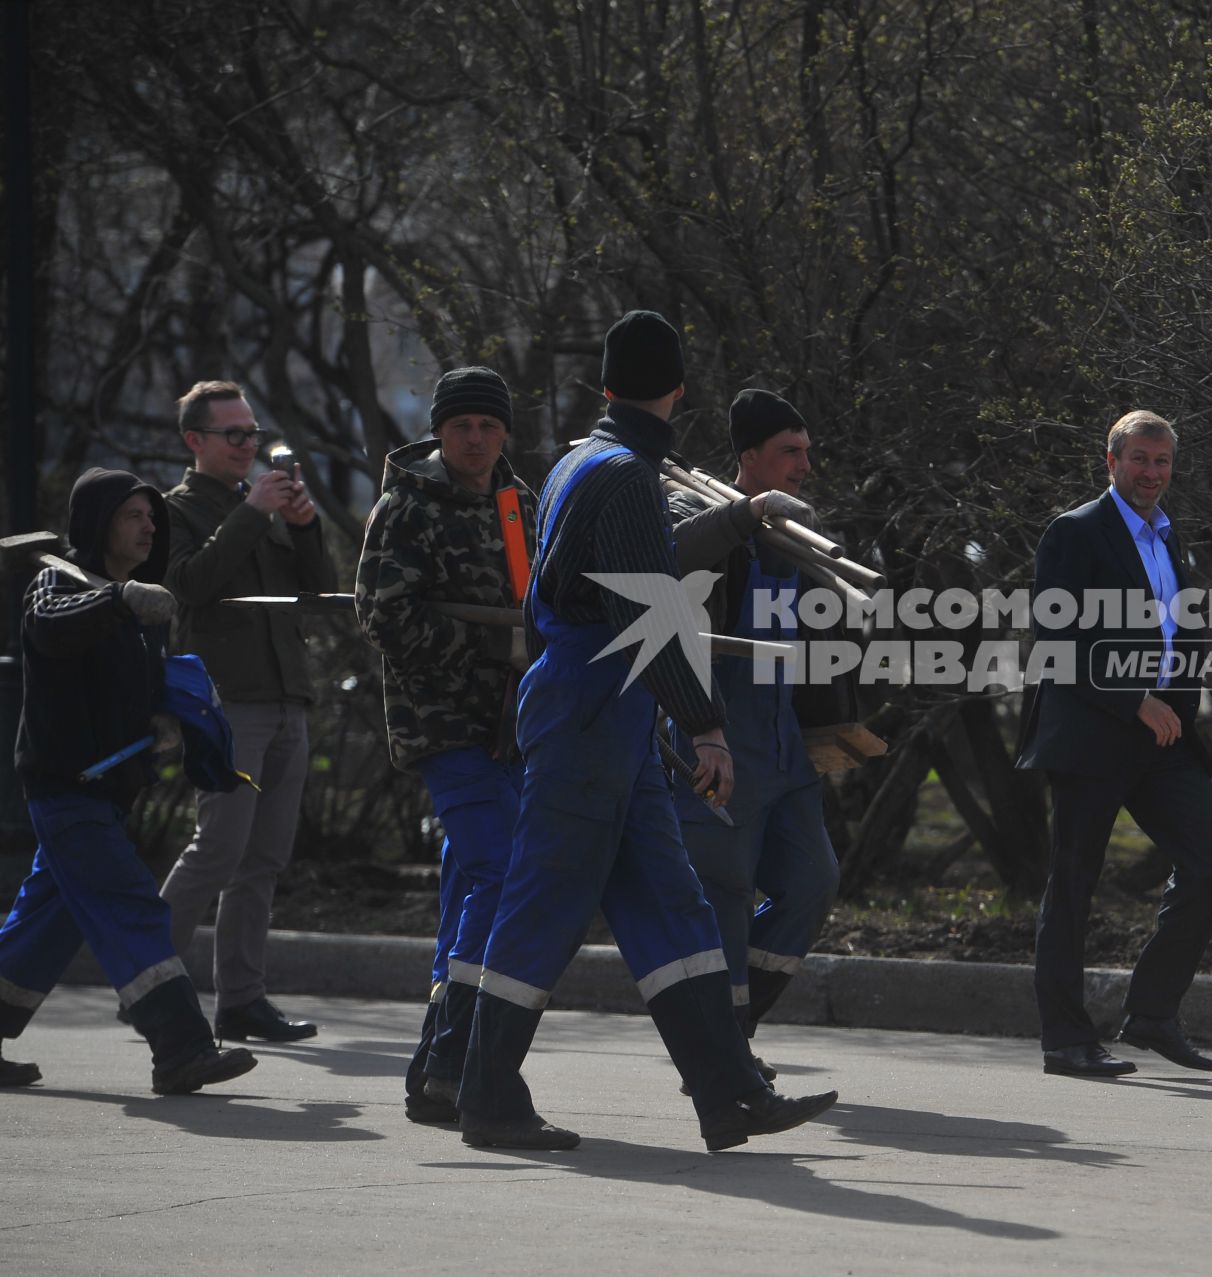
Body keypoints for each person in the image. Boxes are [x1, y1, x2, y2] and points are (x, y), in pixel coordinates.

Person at [457, 311, 837, 1151]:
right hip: (592, 716)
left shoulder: (577, 463)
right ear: (679, 390)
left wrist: (736, 521)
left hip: (603, 719)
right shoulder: (627, 473)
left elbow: (638, 578)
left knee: (672, 903)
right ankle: (484, 1096)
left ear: (605, 386)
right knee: (544, 907)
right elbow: (649, 610)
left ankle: (728, 1090)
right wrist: (705, 726)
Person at [0, 469, 257, 1094]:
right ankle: (181, 1047)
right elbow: (50, 627)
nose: (148, 526)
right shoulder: (56, 582)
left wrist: (164, 720)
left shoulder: (141, 602)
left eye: (151, 517)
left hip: (109, 791)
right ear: (97, 523)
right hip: (66, 786)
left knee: (46, 924)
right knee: (130, 904)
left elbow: (129, 686)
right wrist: (117, 601)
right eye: (132, 515)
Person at [1015, 409, 1212, 1077]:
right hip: (1091, 733)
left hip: (1159, 735)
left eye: (1162, 461)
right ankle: (1066, 1039)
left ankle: (1152, 1013)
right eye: (1139, 459)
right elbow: (1056, 640)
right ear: (1110, 463)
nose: (1152, 473)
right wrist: (1132, 698)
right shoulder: (1076, 532)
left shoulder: (1170, 538)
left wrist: (1172, 706)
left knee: (1210, 859)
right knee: (1074, 884)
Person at [355, 366, 535, 1124]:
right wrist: (485, 648)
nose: (474, 437)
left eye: (488, 426)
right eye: (462, 424)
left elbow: (535, 602)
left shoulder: (518, 503)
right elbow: (382, 616)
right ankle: (457, 1056)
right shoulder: (406, 507)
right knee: (497, 874)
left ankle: (433, 1070)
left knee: (471, 889)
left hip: (509, 727)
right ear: (439, 429)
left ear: (503, 433)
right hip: (444, 727)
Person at [667, 389, 842, 1070]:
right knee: (725, 895)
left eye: (806, 451)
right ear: (748, 458)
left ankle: (731, 1032)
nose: (804, 464)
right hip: (720, 743)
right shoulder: (705, 518)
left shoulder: (797, 534)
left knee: (813, 881)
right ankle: (723, 1055)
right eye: (788, 452)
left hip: (784, 751)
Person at [158, 380, 335, 1043]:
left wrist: (304, 524)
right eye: (233, 434)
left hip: (287, 695)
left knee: (264, 858)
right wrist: (253, 514)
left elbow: (313, 586)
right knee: (218, 849)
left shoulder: (255, 505)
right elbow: (189, 587)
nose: (247, 445)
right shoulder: (174, 510)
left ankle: (242, 998)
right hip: (228, 702)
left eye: (252, 432)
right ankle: (149, 983)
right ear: (195, 441)